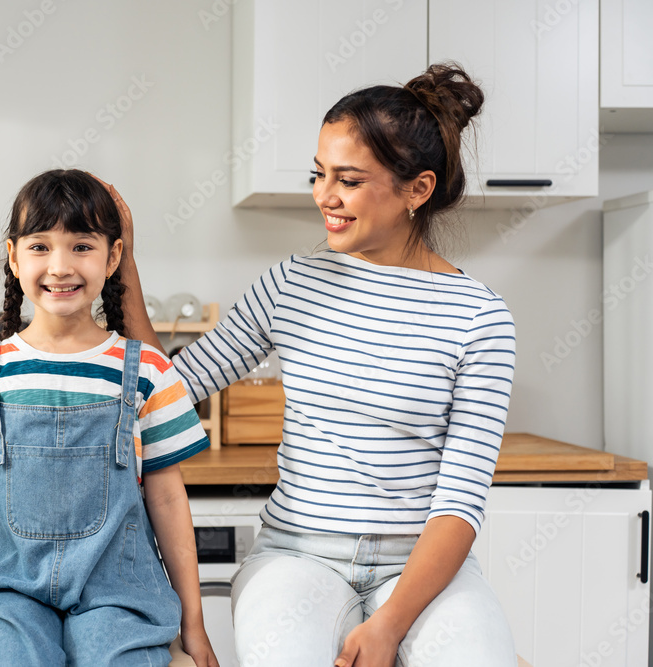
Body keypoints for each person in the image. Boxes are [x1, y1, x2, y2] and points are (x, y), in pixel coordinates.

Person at [111, 63, 518, 666]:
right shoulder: (291, 284)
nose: (324, 196)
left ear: (417, 189)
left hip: (424, 566)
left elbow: (460, 504)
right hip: (296, 554)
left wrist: (389, 627)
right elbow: (170, 388)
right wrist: (124, 261)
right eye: (318, 174)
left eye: (348, 180)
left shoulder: (479, 318)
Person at [0, 170, 219, 667]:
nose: (60, 266)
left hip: (119, 591)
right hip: (8, 591)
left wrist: (195, 627)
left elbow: (167, 499)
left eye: (81, 246)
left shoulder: (149, 371)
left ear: (112, 257)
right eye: (40, 247)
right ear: (13, 257)